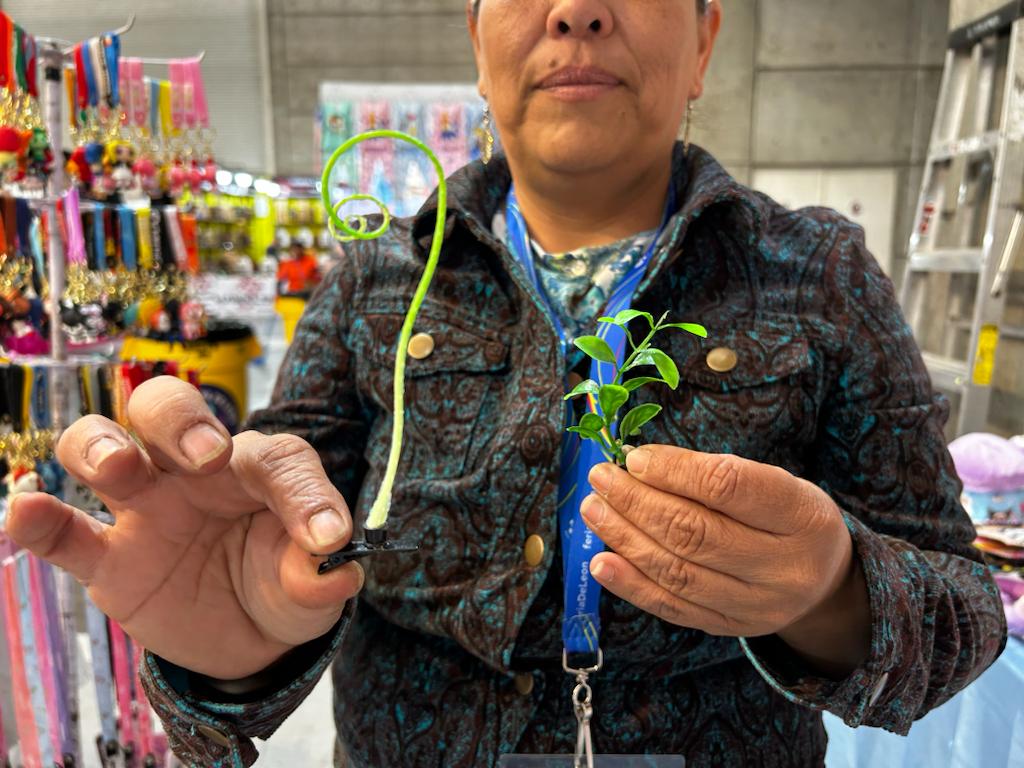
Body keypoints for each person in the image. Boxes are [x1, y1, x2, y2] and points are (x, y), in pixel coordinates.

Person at [3, 1, 1007, 766]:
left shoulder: (820, 274)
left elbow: (964, 608)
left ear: (703, 40)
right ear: (476, 46)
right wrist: (226, 655)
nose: (575, 10)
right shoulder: (377, 280)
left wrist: (833, 591)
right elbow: (262, 536)